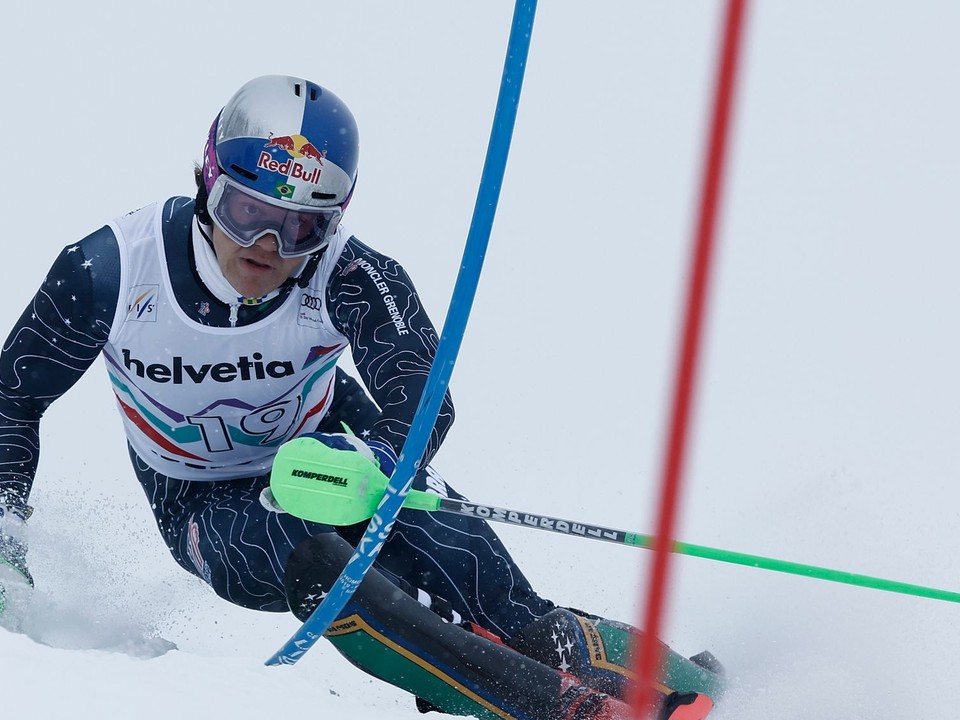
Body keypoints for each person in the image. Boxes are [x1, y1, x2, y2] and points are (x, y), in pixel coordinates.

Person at [0, 75, 723, 720]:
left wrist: (378, 456)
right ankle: (546, 709)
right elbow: (11, 398)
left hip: (341, 453)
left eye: (302, 226)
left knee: (503, 605)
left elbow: (422, 386)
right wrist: (5, 530)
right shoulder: (110, 271)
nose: (268, 248)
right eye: (246, 211)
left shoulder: (349, 273)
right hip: (204, 501)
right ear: (207, 180)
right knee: (325, 564)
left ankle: (693, 689)